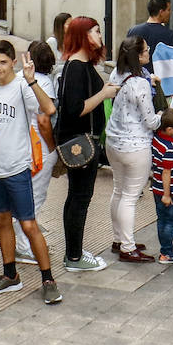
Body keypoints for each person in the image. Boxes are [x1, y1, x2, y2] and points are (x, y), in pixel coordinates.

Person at [0, 41, 61, 305]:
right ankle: (10, 274)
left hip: (17, 167)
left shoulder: (22, 86)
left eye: (3, 62)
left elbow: (49, 110)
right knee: (2, 221)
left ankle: (48, 279)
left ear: (12, 62)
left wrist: (32, 81)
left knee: (28, 223)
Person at [56, 16, 119, 272]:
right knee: (79, 199)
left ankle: (74, 252)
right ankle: (73, 256)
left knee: (78, 198)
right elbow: (75, 108)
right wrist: (104, 94)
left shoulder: (82, 65)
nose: (99, 36)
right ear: (83, 35)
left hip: (86, 143)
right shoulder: (76, 67)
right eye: (95, 31)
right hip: (82, 144)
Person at [105, 36, 162, 262]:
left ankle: (119, 239)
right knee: (130, 196)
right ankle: (128, 248)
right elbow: (150, 121)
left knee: (119, 191)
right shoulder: (140, 83)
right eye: (147, 50)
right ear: (139, 56)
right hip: (136, 145)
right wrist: (161, 115)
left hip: (113, 142)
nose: (149, 53)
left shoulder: (116, 74)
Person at [13, 39, 59, 264]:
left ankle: (23, 242)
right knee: (35, 196)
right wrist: (52, 147)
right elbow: (43, 119)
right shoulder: (44, 83)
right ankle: (24, 245)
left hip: (20, 144)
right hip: (38, 145)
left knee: (24, 194)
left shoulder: (18, 79)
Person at [151, 108, 173, 264]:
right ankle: (166, 252)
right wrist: (167, 194)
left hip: (157, 187)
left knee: (162, 219)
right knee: (170, 221)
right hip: (170, 191)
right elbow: (167, 172)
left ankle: (167, 247)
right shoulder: (170, 148)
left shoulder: (157, 139)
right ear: (169, 129)